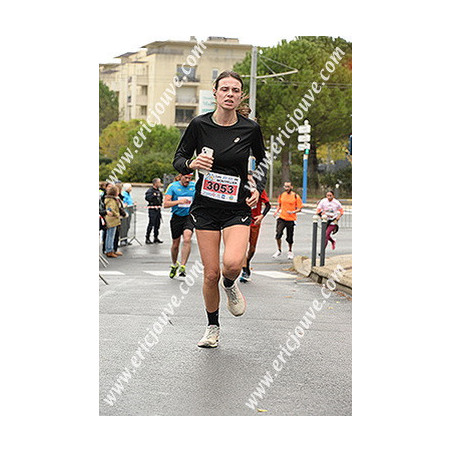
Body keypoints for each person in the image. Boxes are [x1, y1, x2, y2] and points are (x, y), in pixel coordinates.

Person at [173, 70, 267, 348]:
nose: (229, 94)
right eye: (224, 89)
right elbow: (179, 158)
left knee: (232, 264)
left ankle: (230, 284)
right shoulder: (199, 125)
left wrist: (257, 189)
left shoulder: (250, 129)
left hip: (237, 207)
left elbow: (262, 163)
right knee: (210, 273)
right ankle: (212, 327)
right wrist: (191, 164)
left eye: (235, 90)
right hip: (206, 207)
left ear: (240, 96)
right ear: (215, 93)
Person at [163, 173, 196, 278]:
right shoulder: (173, 187)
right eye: (185, 178)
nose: (187, 180)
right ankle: (174, 264)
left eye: (189, 178)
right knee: (175, 244)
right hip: (177, 217)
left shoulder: (194, 186)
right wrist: (178, 201)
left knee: (187, 239)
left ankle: (183, 265)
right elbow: (165, 204)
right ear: (181, 177)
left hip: (189, 217)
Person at [239, 189, 271, 282]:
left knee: (252, 249)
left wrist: (261, 216)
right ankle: (245, 270)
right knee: (242, 247)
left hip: (255, 222)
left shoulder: (259, 190)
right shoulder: (242, 187)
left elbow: (268, 205)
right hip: (242, 221)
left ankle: (247, 262)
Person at [272, 182, 303, 260]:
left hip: (291, 219)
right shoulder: (282, 195)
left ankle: (290, 251)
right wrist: (276, 212)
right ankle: (279, 250)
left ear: (291, 187)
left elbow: (300, 209)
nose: (286, 188)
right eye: (285, 187)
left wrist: (293, 212)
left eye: (288, 187)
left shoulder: (295, 196)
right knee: (278, 234)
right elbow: (279, 205)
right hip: (282, 218)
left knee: (290, 237)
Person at [104, 185, 122, 258]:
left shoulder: (111, 199)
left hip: (112, 219)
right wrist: (117, 214)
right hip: (112, 219)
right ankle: (109, 250)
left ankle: (110, 250)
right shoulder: (111, 200)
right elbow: (111, 209)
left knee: (111, 235)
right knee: (110, 236)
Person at [145, 178, 164, 244]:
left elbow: (161, 198)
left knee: (157, 224)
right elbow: (147, 198)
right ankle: (147, 238)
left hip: (158, 209)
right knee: (151, 223)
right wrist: (153, 195)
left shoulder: (158, 191)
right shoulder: (150, 191)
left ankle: (156, 237)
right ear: (155, 183)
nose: (160, 184)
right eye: (159, 182)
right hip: (152, 209)